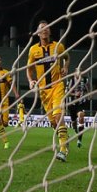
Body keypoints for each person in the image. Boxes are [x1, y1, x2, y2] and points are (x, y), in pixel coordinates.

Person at [26, 20, 70, 162]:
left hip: (57, 86)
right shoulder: (33, 50)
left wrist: (65, 67)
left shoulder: (58, 46)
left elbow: (67, 57)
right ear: (38, 33)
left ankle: (63, 149)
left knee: (58, 116)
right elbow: (29, 69)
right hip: (44, 91)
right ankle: (64, 137)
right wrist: (31, 80)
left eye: (47, 28)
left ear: (50, 32)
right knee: (53, 123)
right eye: (41, 28)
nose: (44, 30)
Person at [0, 54, 21, 149]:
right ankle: (6, 142)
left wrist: (16, 94)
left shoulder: (5, 73)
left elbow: (11, 84)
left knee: (5, 123)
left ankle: (1, 125)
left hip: (4, 103)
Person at [66, 72, 89, 148]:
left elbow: (88, 89)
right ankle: (76, 131)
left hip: (81, 104)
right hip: (72, 104)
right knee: (74, 123)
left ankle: (79, 140)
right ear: (74, 74)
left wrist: (89, 94)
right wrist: (74, 94)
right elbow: (66, 93)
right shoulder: (70, 81)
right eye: (77, 72)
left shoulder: (85, 80)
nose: (79, 73)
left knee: (81, 116)